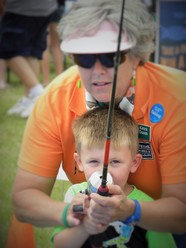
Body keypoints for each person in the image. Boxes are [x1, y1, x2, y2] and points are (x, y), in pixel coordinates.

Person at [10, 0, 186, 247]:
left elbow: (181, 213)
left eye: (111, 57)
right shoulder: (53, 99)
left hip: (166, 227)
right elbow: (24, 199)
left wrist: (131, 210)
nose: (98, 70)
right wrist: (70, 213)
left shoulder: (178, 97)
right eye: (85, 59)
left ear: (136, 56)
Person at [51, 107, 176, 248]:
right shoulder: (75, 196)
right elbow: (60, 244)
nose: (104, 173)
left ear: (134, 163)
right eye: (93, 161)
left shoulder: (146, 206)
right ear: (79, 162)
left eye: (115, 162)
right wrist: (84, 226)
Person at [0, 0, 58, 118]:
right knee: (29, 53)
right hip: (46, 7)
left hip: (22, 8)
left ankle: (38, 95)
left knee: (6, 49)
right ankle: (29, 100)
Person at [41, 0, 65, 86]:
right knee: (56, 45)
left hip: (42, 7)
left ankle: (46, 81)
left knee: (45, 46)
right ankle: (60, 78)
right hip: (57, 7)